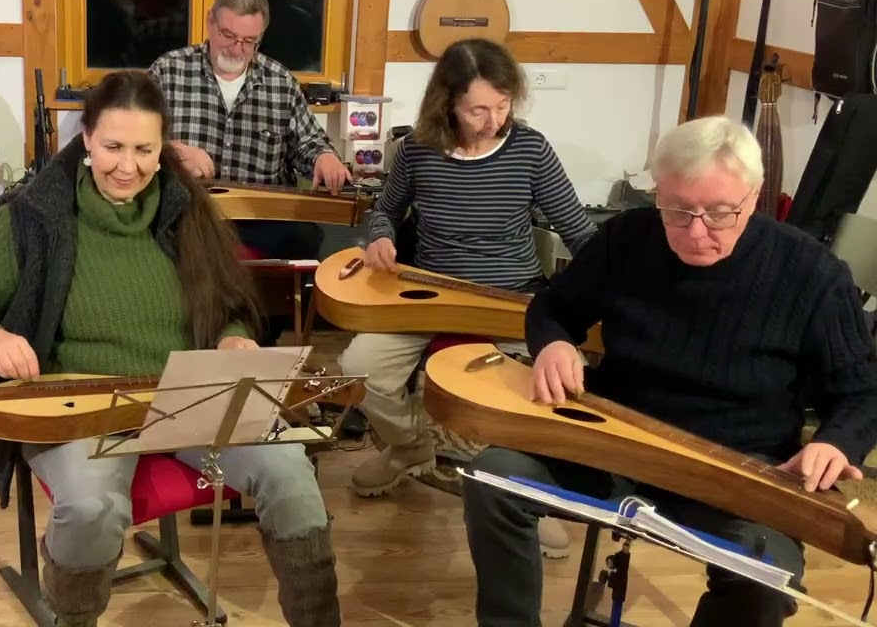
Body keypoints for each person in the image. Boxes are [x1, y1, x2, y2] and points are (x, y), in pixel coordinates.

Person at [0, 71, 341, 627]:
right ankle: (74, 619)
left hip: (184, 398)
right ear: (86, 141)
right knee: (91, 506)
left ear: (163, 148)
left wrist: (233, 336)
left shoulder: (187, 211)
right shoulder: (31, 218)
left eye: (145, 150)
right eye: (113, 147)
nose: (128, 166)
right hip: (81, 404)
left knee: (291, 473)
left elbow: (232, 305)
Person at [462, 115, 877, 626]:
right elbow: (552, 306)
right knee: (492, 478)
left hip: (737, 468)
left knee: (766, 581)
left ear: (755, 194)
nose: (696, 231)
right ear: (658, 192)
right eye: (677, 210)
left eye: (720, 212)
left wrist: (834, 443)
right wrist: (553, 344)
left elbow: (861, 393)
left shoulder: (812, 274)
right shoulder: (628, 238)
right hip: (612, 442)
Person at [339, 38, 594, 557]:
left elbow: (580, 231)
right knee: (359, 366)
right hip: (428, 294)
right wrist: (381, 237)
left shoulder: (530, 150)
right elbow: (384, 211)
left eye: (502, 106)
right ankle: (411, 447)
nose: (493, 120)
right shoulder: (417, 150)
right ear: (448, 103)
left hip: (511, 298)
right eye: (479, 109)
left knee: (527, 394)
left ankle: (522, 495)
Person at [147, 0, 351, 342]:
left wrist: (324, 156)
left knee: (306, 236)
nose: (237, 49)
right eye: (228, 35)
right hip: (190, 213)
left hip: (259, 217)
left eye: (249, 41)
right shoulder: (169, 71)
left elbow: (307, 141)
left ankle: (259, 341)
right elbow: (140, 139)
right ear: (211, 23)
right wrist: (173, 151)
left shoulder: (279, 81)